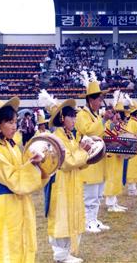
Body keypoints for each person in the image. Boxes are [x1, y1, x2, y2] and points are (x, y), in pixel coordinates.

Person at [0, 93, 48, 262]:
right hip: (5, 205)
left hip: (18, 202)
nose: (14, 126)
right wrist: (32, 166)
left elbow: (20, 171)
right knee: (7, 249)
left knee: (20, 244)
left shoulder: (11, 146)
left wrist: (35, 164)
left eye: (15, 122)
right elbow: (14, 179)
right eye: (10, 122)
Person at [39, 90, 91, 263]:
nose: (75, 121)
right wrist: (83, 152)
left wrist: (85, 153)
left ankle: (66, 251)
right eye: (71, 117)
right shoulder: (56, 138)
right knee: (61, 214)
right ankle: (60, 254)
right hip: (60, 182)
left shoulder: (70, 137)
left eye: (75, 117)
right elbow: (68, 162)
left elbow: (78, 160)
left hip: (72, 180)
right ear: (62, 119)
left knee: (72, 212)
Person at [76, 71, 112, 233]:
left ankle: (94, 219)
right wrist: (103, 121)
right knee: (90, 194)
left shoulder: (96, 115)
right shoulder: (82, 115)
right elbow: (88, 132)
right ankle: (87, 221)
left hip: (99, 157)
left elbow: (101, 132)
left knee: (98, 193)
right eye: (98, 99)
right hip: (90, 158)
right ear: (91, 100)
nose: (101, 102)